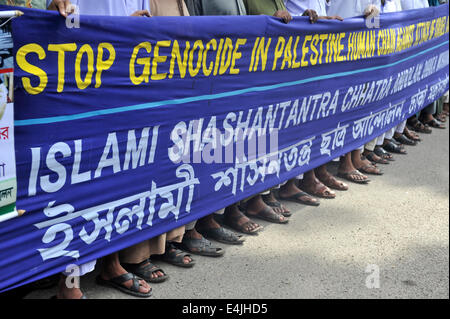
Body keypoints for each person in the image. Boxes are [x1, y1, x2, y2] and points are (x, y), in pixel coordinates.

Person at [47, 0, 152, 299]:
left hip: (129, 80)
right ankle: (69, 285)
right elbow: (65, 19)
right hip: (85, 83)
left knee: (118, 175)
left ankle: (111, 264)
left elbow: (143, 18)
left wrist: (134, 28)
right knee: (80, 181)